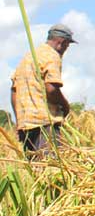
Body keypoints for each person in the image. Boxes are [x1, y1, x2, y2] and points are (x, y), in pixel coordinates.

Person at [10, 23, 76, 154]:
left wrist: (19, 121)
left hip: (26, 125)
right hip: (45, 124)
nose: (65, 50)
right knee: (50, 168)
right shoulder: (51, 56)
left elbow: (14, 91)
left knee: (35, 169)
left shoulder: (28, 57)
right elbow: (51, 89)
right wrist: (65, 105)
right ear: (61, 42)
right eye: (67, 46)